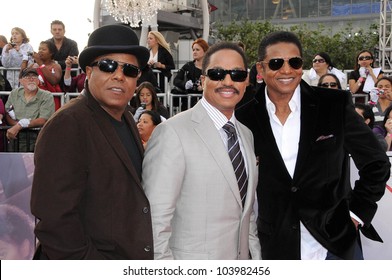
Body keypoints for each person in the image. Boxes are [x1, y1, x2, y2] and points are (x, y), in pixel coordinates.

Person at [235, 31, 390, 260]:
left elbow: (377, 162)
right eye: (276, 63)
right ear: (260, 69)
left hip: (335, 243)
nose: (286, 70)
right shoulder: (244, 116)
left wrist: (356, 214)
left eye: (294, 62)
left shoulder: (333, 105)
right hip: (275, 246)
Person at [30, 24, 153, 260]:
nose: (119, 75)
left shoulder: (127, 117)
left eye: (129, 70)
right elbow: (55, 220)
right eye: (108, 66)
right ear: (88, 71)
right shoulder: (68, 124)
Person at [142, 42, 261, 260]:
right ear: (203, 80)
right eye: (217, 74)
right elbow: (154, 221)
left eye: (237, 74)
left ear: (246, 82)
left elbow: (247, 214)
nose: (227, 81)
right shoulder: (171, 132)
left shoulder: (246, 135)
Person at [4, 68, 55, 152]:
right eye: (27, 77)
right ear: (21, 81)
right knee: (14, 163)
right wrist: (16, 126)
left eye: (34, 76)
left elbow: (44, 119)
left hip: (37, 139)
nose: (31, 79)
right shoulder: (14, 93)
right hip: (15, 138)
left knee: (33, 164)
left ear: (38, 80)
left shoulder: (47, 96)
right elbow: (7, 113)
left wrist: (19, 125)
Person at [172, 38, 208, 111]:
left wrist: (204, 88)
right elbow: (176, 80)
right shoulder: (188, 66)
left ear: (205, 51)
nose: (194, 52)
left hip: (205, 105)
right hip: (188, 105)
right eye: (193, 50)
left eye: (197, 50)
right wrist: (185, 84)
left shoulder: (210, 67)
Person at [25, 40, 63, 110]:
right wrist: (24, 61)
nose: (40, 51)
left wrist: (41, 64)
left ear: (51, 53)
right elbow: (22, 78)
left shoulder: (56, 66)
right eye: (39, 49)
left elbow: (54, 81)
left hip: (51, 100)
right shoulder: (33, 66)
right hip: (34, 99)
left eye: (44, 49)